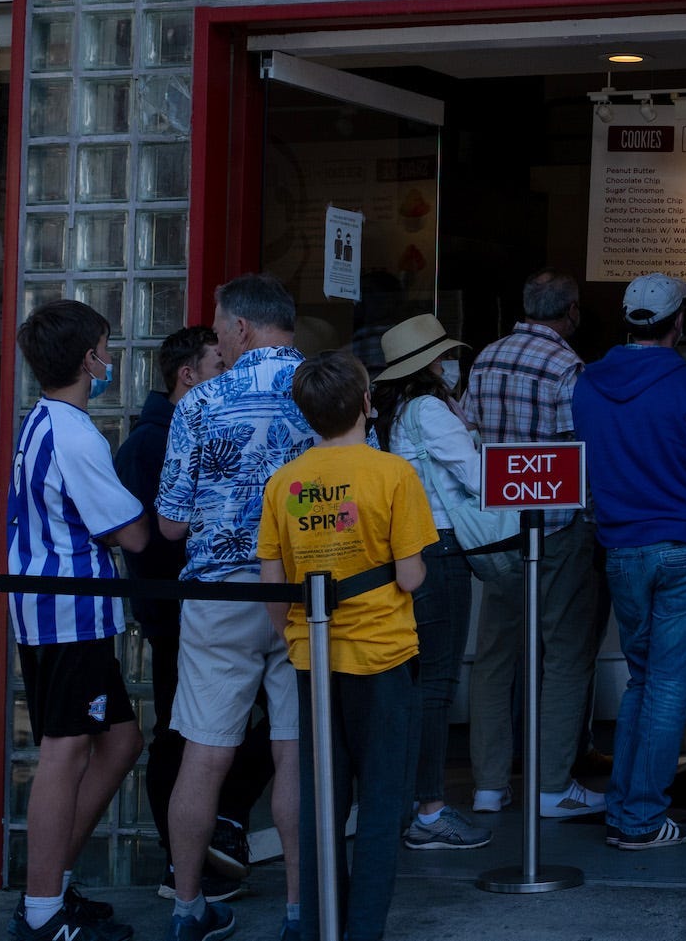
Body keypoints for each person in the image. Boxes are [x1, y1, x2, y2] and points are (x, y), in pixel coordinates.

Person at [157, 275, 315, 941]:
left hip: (220, 593)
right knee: (294, 752)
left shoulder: (199, 402)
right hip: (308, 594)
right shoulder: (328, 389)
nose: (217, 340)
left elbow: (168, 524)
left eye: (220, 328)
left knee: (205, 752)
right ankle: (298, 910)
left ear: (243, 328)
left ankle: (188, 907)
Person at [257, 352, 435, 941]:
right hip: (383, 656)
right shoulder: (393, 475)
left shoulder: (283, 482)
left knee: (321, 805)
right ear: (366, 403)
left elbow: (274, 590)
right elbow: (410, 577)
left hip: (312, 659)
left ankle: (317, 925)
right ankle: (362, 931)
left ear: (305, 412)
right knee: (383, 806)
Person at [572, 273, 686, 850]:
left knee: (643, 681)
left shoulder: (588, 385)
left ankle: (627, 809)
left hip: (622, 547)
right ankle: (642, 818)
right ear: (679, 322)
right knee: (667, 686)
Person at [7, 299, 151, 941]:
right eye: (105, 346)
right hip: (70, 615)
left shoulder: (41, 419)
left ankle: (52, 886)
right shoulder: (74, 432)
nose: (109, 357)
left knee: (121, 742)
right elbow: (135, 534)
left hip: (53, 610)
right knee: (65, 751)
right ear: (89, 359)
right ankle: (42, 910)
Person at [115, 325, 272, 904]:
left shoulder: (176, 428)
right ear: (190, 374)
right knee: (181, 738)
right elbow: (159, 536)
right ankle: (184, 863)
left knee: (234, 729)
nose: (228, 373)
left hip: (201, 604)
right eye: (217, 363)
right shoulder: (152, 442)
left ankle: (212, 836)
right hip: (182, 609)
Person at [457, 268, 605, 818]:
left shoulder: (487, 359)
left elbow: (471, 433)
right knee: (564, 654)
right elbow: (583, 447)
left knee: (496, 655)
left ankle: (489, 785)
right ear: (570, 312)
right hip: (560, 525)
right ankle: (550, 786)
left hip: (499, 527)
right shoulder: (570, 368)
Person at [369, 314, 492, 851]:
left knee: (412, 682)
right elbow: (478, 479)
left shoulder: (389, 411)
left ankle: (408, 802)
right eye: (444, 356)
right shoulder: (430, 410)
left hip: (403, 549)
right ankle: (430, 809)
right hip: (440, 550)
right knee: (437, 684)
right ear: (431, 364)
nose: (450, 363)